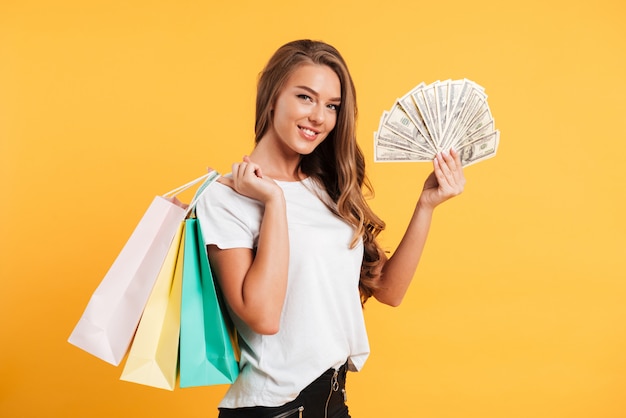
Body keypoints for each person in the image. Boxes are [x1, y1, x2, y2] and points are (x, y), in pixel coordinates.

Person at [195, 39, 466, 418]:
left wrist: (426, 205)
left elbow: (388, 290)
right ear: (272, 97)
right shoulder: (226, 197)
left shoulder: (326, 188)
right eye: (305, 97)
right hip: (274, 408)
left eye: (332, 106)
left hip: (332, 400)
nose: (319, 117)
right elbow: (262, 317)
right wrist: (274, 202)